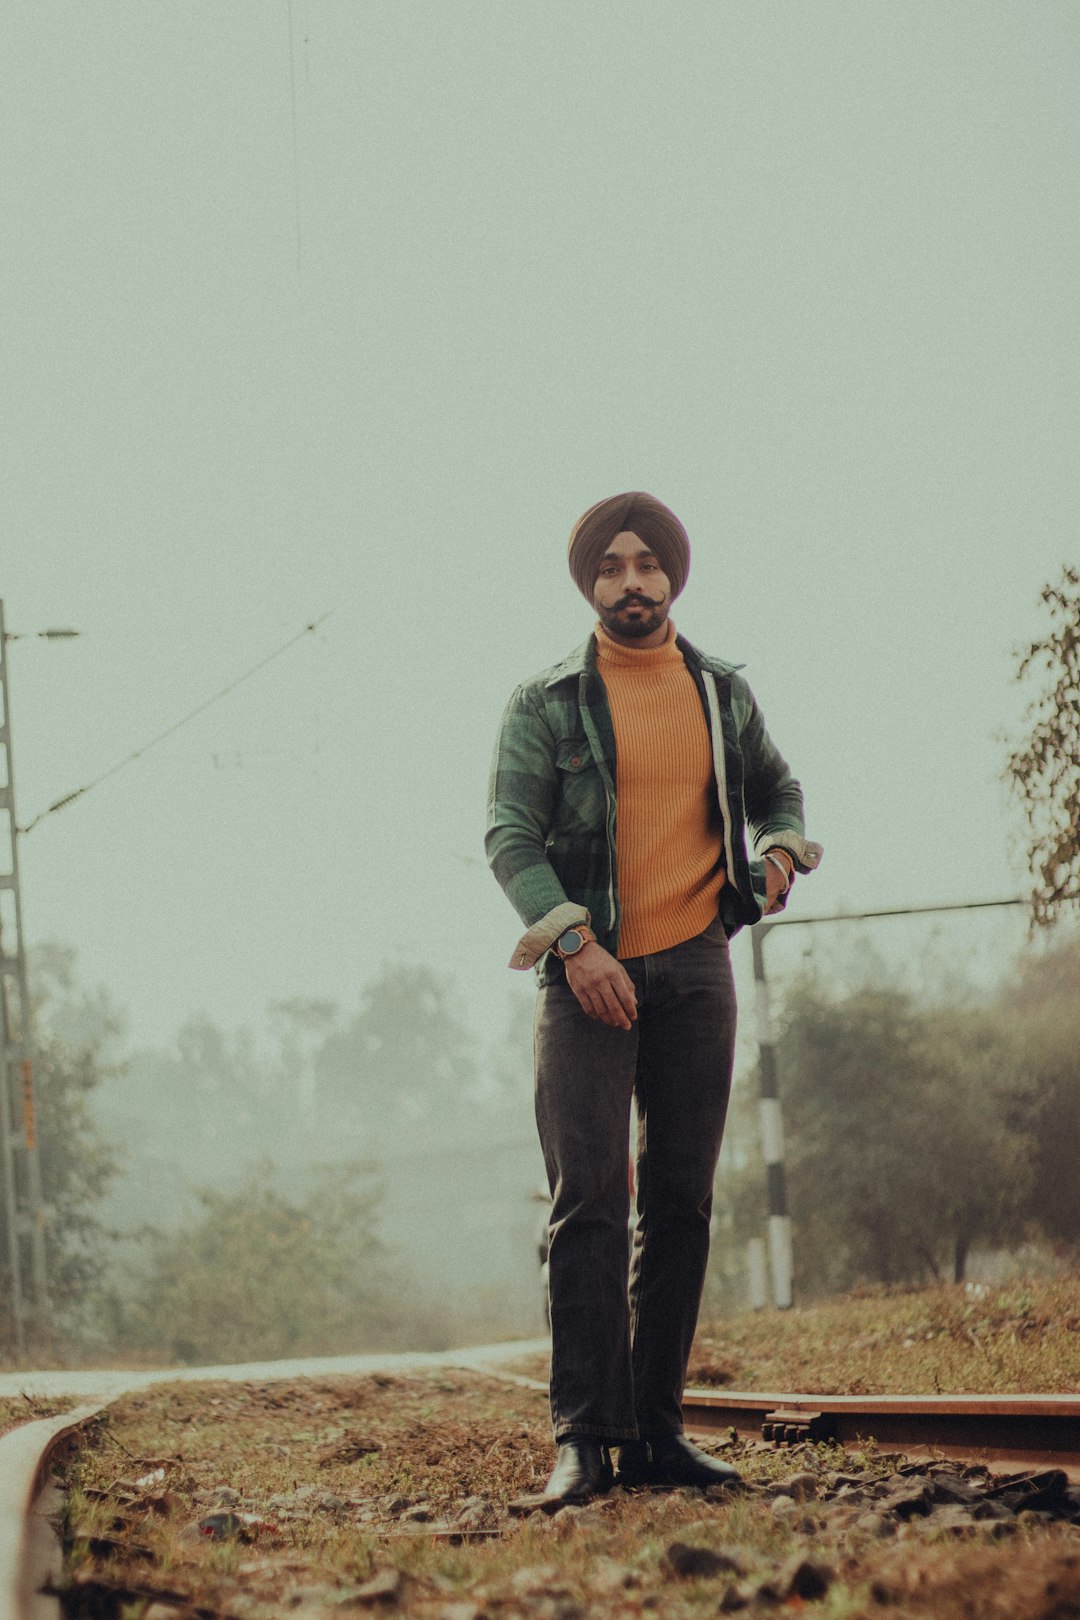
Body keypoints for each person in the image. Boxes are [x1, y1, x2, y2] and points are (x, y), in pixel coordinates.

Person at [486, 491, 822, 1503]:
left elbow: (780, 791)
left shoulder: (720, 692)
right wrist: (575, 944)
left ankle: (660, 1436)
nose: (632, 582)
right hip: (584, 973)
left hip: (695, 967)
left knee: (680, 1200)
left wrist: (778, 853)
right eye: (611, 567)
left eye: (648, 565)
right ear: (589, 583)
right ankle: (585, 1441)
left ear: (671, 576)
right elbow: (511, 838)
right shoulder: (545, 702)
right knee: (589, 1201)